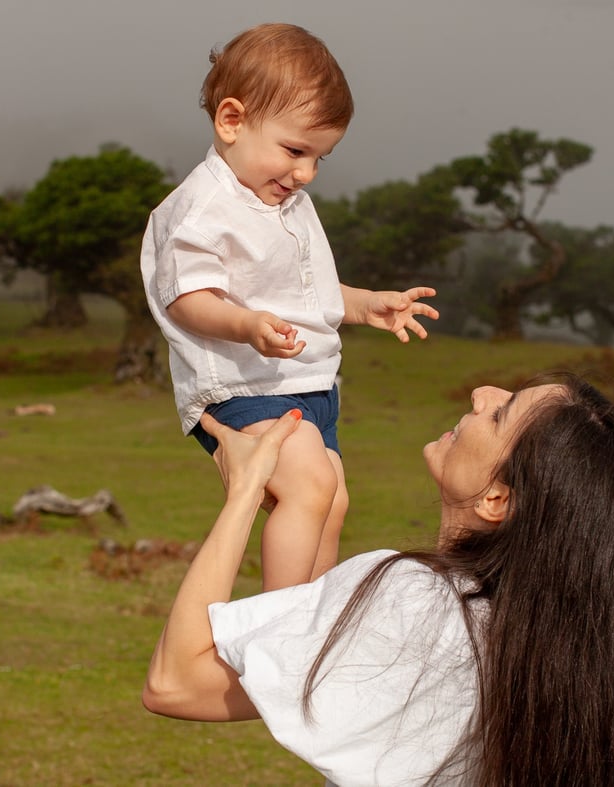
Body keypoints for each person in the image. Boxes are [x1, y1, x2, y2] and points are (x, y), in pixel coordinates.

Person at [143, 374, 614, 786]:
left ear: (497, 498)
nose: (482, 393)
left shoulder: (416, 601)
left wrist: (245, 490)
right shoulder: (567, 643)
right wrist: (315, 508)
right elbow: (304, 649)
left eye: (500, 413)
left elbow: (176, 683)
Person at [140, 22, 439, 592]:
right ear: (232, 121)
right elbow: (186, 299)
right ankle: (282, 624)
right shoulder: (203, 208)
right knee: (308, 490)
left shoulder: (285, 201)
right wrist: (246, 324)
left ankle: (312, 621)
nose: (305, 173)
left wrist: (367, 305)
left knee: (332, 500)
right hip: (245, 388)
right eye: (296, 150)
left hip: (309, 386)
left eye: (320, 158)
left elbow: (307, 295)